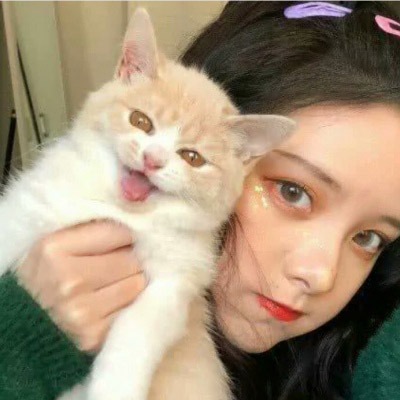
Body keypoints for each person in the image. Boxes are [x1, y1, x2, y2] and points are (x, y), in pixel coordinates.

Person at [1, 1, 400, 399]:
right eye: (292, 191)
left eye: (368, 238)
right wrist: (20, 331)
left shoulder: (364, 354)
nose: (319, 275)